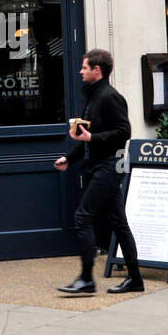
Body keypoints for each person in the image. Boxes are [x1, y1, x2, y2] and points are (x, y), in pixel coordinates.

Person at [53, 49, 144, 295]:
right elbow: (85, 137)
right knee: (118, 222)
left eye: (84, 67)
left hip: (110, 166)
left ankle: (86, 279)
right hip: (101, 165)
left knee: (83, 217)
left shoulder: (110, 97)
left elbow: (124, 132)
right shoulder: (94, 96)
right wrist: (69, 158)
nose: (80, 71)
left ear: (97, 70)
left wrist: (93, 137)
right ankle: (135, 279)